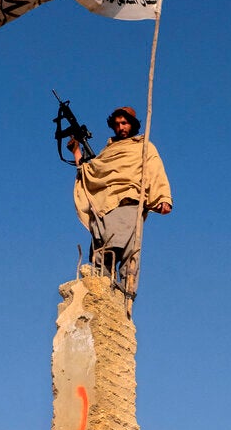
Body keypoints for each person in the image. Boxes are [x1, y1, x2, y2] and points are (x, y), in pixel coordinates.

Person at [67, 106, 172, 292]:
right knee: (101, 255)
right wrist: (76, 152)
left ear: (132, 124)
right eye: (117, 124)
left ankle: (125, 293)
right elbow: (91, 172)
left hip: (128, 203)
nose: (120, 127)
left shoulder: (143, 146)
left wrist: (163, 197)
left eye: (124, 123)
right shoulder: (107, 151)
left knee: (127, 252)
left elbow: (155, 171)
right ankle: (101, 293)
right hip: (103, 207)